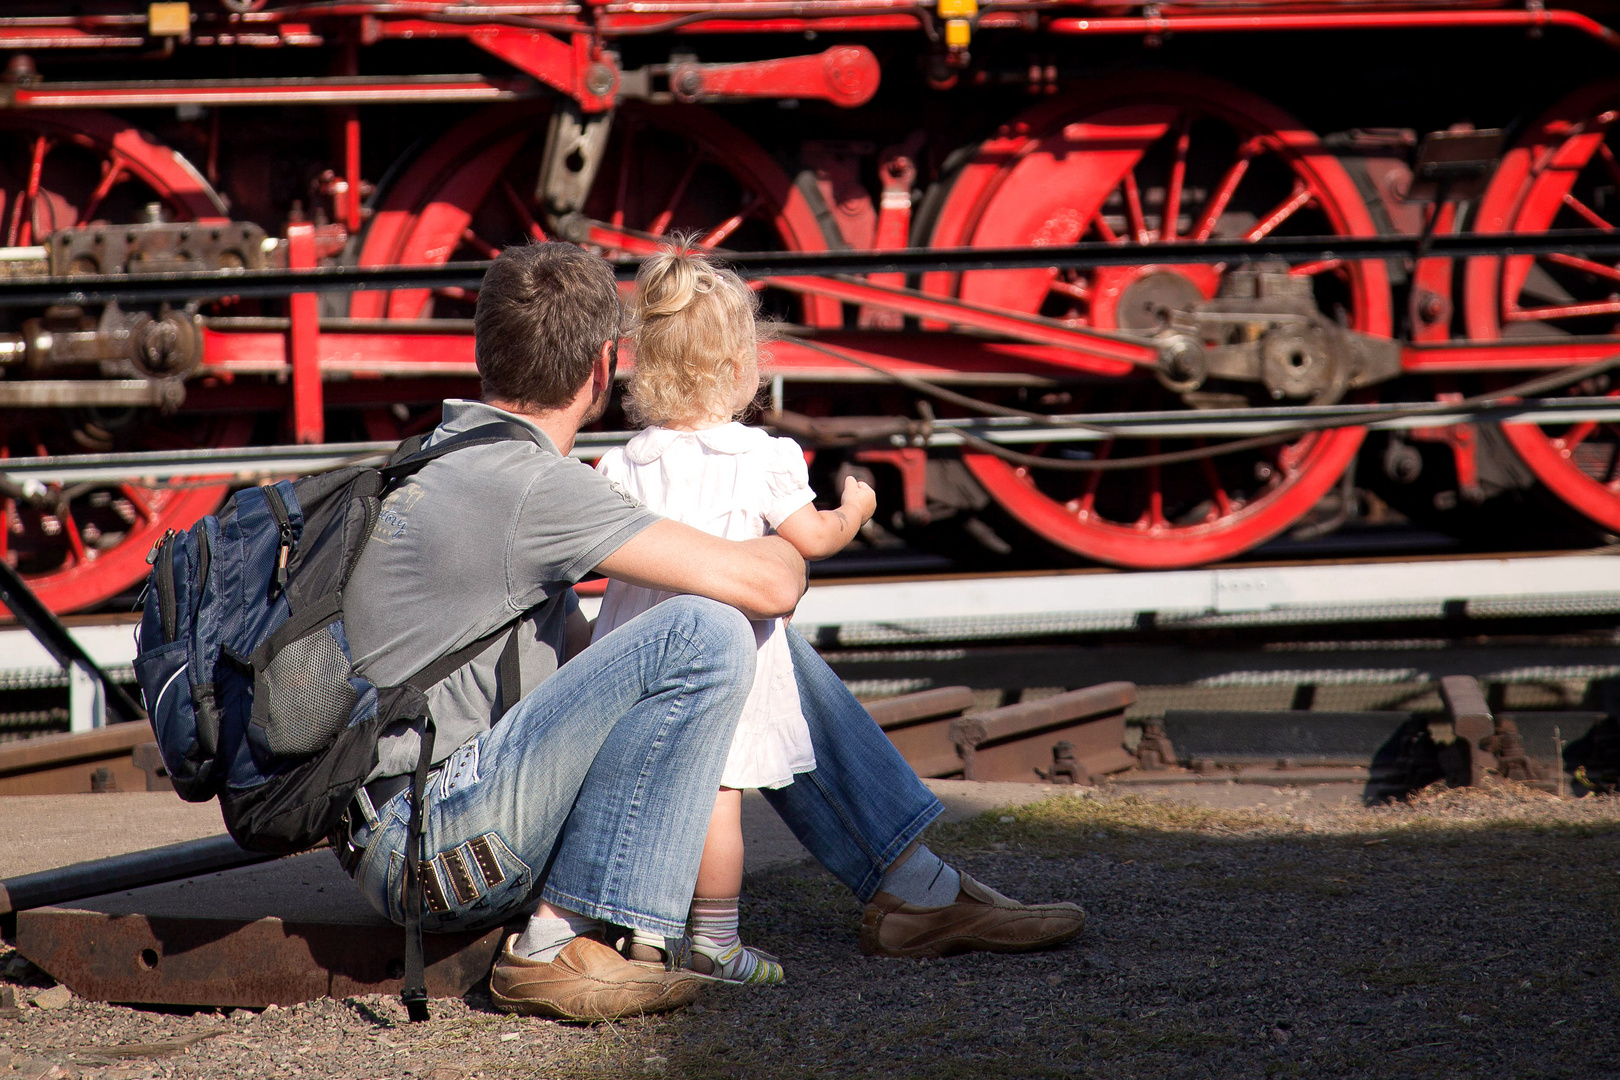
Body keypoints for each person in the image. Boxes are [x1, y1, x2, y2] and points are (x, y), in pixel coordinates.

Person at [337, 241, 1086, 1022]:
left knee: (718, 630)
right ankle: (554, 944)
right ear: (604, 365)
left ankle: (915, 888)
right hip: (443, 849)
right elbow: (775, 581)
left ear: (485, 352)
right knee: (712, 624)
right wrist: (774, 533)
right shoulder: (538, 489)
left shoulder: (443, 455)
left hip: (415, 823)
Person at [591, 247, 879, 987]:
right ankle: (715, 942)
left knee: (648, 788)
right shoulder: (764, 457)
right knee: (718, 800)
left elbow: (598, 562)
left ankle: (645, 939)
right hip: (732, 661)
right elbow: (810, 541)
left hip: (638, 654)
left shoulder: (624, 463)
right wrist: (857, 507)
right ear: (744, 367)